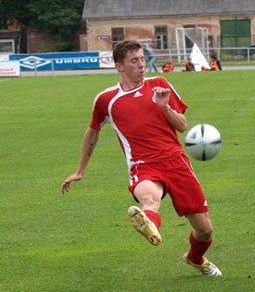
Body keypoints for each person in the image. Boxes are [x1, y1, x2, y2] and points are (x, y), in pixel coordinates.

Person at [61, 40, 222, 277]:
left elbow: (182, 125)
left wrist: (165, 107)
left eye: (142, 60)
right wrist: (80, 170)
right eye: (134, 61)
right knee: (149, 199)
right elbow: (93, 131)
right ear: (119, 66)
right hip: (143, 164)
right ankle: (150, 224)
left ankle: (195, 258)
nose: (141, 65)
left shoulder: (160, 85)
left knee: (205, 229)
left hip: (176, 162)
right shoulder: (107, 100)